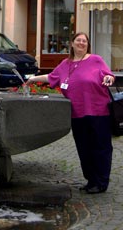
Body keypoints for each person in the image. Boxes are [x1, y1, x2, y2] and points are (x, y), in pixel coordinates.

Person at [26, 32, 114, 194]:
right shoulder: (65, 64)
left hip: (99, 112)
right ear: (72, 44)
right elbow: (52, 77)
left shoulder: (96, 60)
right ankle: (91, 180)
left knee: (101, 147)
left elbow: (108, 75)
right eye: (78, 40)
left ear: (87, 45)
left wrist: (109, 78)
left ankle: (101, 182)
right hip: (77, 114)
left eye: (84, 41)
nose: (81, 43)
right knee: (84, 148)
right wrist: (33, 78)